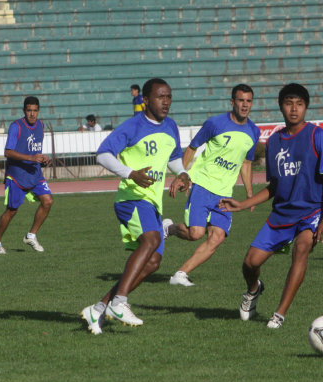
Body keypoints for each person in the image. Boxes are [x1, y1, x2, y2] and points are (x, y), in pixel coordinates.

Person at [219, 83, 323, 329]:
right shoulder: (274, 142)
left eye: (299, 104)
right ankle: (254, 290)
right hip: (283, 212)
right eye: (288, 103)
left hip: (313, 211)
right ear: (280, 107)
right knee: (250, 263)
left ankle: (279, 314)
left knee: (302, 247)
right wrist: (242, 204)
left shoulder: (317, 136)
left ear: (306, 107)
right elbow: (274, 188)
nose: (294, 109)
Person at [81, 78, 190, 335]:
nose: (166, 102)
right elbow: (103, 153)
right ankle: (119, 302)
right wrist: (130, 173)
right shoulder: (133, 126)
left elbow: (174, 157)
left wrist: (183, 174)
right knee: (151, 240)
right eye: (160, 97)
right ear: (145, 100)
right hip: (131, 199)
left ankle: (98, 309)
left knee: (152, 263)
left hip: (153, 203)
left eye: (169, 97)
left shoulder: (171, 126)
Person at [164, 83, 260, 286]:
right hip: (203, 184)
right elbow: (192, 147)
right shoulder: (215, 123)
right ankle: (169, 229)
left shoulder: (254, 131)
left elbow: (246, 163)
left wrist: (250, 194)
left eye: (248, 101)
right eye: (241, 100)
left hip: (225, 192)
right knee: (196, 233)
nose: (245, 105)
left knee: (217, 238)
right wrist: (183, 175)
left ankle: (180, 274)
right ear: (232, 102)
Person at [0, 96, 53, 254]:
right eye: (29, 110)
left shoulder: (41, 126)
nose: (32, 114)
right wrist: (31, 157)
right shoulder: (16, 126)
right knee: (12, 211)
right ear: (24, 111)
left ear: (39, 111)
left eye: (35, 110)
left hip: (34, 173)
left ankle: (31, 235)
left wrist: (42, 159)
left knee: (48, 201)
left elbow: (34, 150)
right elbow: (8, 152)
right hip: (17, 176)